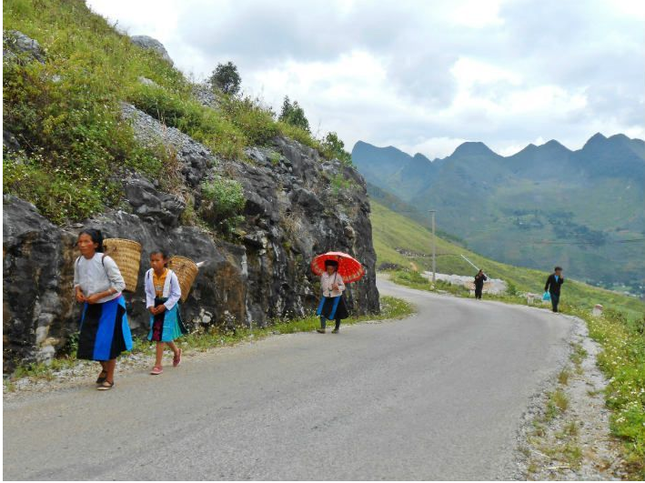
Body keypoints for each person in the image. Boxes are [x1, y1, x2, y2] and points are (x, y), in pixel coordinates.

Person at [74, 229, 133, 391]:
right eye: (80, 241)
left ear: (96, 244)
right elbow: (77, 281)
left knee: (108, 342)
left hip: (110, 305)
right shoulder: (79, 261)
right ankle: (105, 368)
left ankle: (110, 378)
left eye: (86, 241)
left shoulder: (105, 261)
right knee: (89, 341)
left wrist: (100, 295)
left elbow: (120, 284)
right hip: (91, 304)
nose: (82, 244)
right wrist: (78, 292)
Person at [145, 249, 187, 375]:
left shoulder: (171, 275)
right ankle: (176, 351)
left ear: (164, 261)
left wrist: (165, 305)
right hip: (156, 304)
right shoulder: (148, 274)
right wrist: (150, 305)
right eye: (152, 260)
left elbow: (176, 294)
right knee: (161, 332)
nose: (154, 263)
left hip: (169, 306)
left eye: (157, 260)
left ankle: (158, 365)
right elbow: (147, 291)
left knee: (161, 333)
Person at [316, 260, 349, 334]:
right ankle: (322, 328)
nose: (329, 271)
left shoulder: (338, 276)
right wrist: (327, 289)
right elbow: (322, 285)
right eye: (328, 269)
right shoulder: (324, 275)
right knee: (322, 311)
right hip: (326, 295)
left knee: (337, 313)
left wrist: (337, 287)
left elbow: (343, 287)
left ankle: (336, 328)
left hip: (336, 296)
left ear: (335, 268)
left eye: (331, 269)